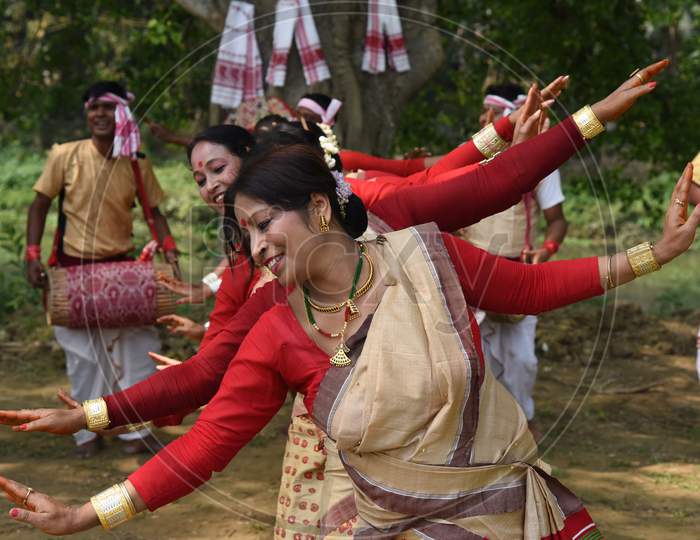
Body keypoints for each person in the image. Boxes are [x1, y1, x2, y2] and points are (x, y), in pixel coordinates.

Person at [0, 61, 672, 537]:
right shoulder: (273, 323)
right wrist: (83, 506)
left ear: (321, 203)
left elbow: (515, 260)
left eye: (265, 223)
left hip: (493, 511)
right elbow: (207, 438)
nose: (257, 246)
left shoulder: (419, 253)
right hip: (364, 512)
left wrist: (648, 238)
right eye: (244, 231)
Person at [24, 81, 178, 458]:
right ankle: (86, 433)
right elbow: (39, 205)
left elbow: (154, 211)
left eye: (108, 109)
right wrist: (32, 254)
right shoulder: (65, 154)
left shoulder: (136, 160)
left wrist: (171, 254)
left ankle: (133, 433)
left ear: (122, 114)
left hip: (123, 271)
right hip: (74, 272)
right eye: (93, 108)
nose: (99, 115)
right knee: (85, 359)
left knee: (139, 351)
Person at [459, 83, 569, 439]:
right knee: (474, 358)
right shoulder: (470, 155)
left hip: (517, 272)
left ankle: (523, 421)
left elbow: (558, 219)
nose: (483, 118)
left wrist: (547, 250)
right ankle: (480, 433)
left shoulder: (541, 161)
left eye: (492, 112)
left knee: (522, 361)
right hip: (471, 271)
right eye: (483, 111)